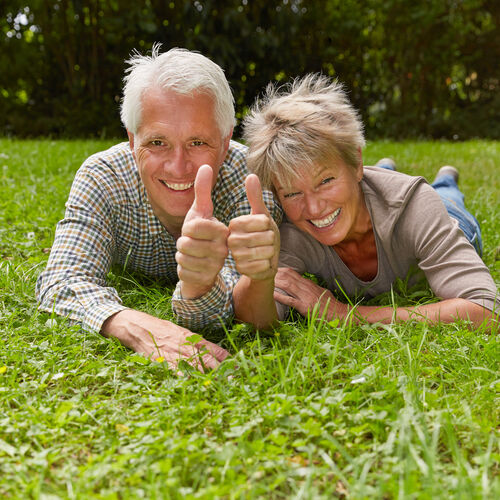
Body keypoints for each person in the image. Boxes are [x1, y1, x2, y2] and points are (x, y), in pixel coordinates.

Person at [35, 45, 281, 370]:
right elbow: (61, 282)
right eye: (156, 142)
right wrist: (133, 325)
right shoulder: (103, 177)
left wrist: (200, 287)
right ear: (132, 139)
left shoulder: (248, 178)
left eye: (197, 143)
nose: (178, 168)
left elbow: (242, 311)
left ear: (224, 143)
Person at [236, 74, 498, 328]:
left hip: (449, 214)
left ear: (357, 163)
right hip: (370, 191)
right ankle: (383, 169)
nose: (314, 208)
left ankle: (446, 179)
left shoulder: (414, 205)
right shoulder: (289, 229)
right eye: (292, 193)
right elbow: (258, 319)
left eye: (325, 181)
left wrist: (347, 314)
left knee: (445, 195)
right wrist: (257, 278)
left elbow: (487, 309)